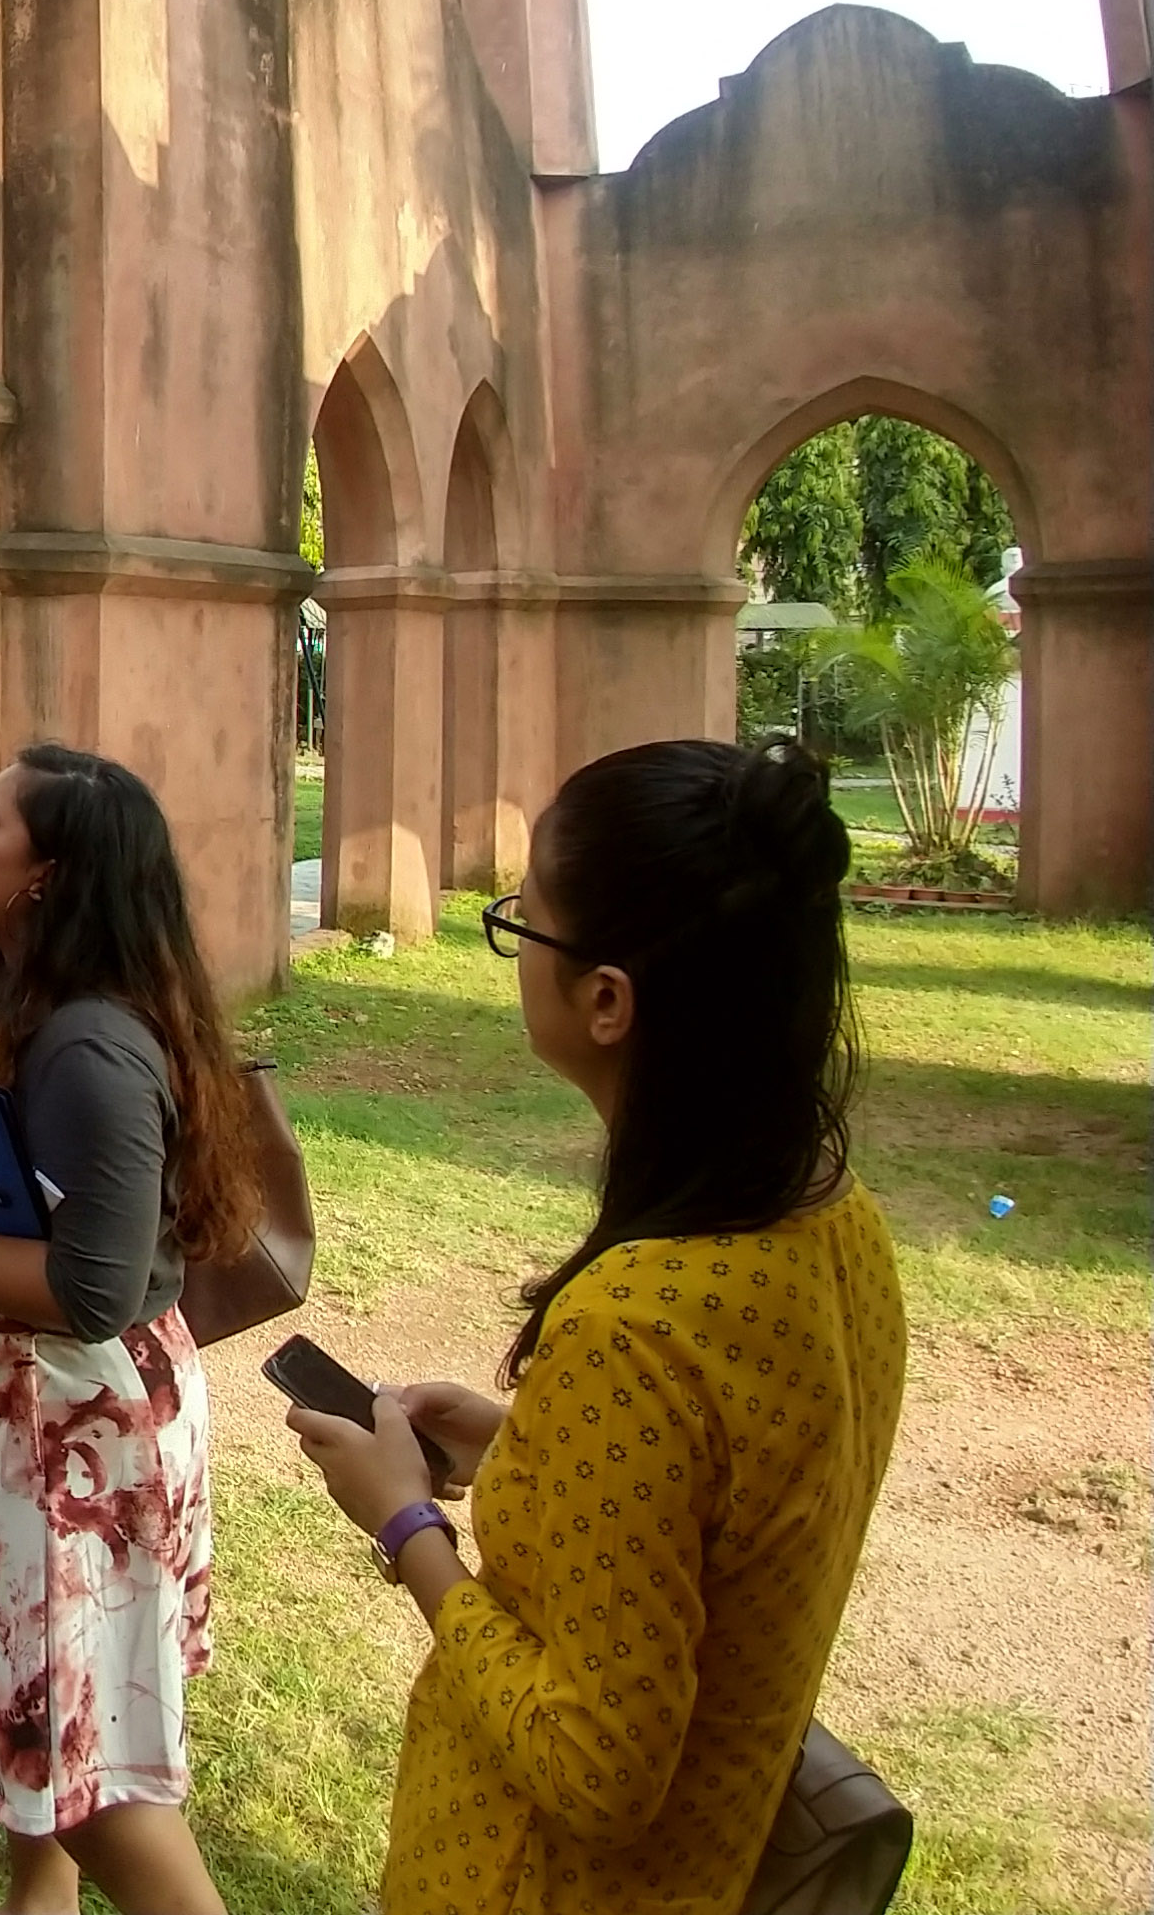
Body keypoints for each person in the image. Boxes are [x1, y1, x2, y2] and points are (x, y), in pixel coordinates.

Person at [284, 738, 903, 1915]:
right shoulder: (835, 1221)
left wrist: (403, 1520)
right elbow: (725, 1506)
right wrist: (534, 1443)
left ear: (607, 998)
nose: (512, 944)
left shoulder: (632, 1332)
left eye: (524, 923)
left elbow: (597, 1769)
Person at [0, 745, 262, 1915]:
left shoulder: (89, 1045)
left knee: (98, 1777)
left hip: (71, 1435)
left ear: (46, 876)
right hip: (17, 1416)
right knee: (48, 1743)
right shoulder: (12, 993)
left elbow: (92, 1286)